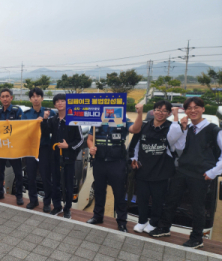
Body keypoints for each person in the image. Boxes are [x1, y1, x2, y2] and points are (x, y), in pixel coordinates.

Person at [150, 97, 222, 249]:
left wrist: (213, 172)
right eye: (189, 108)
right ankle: (164, 228)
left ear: (203, 109)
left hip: (201, 174)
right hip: (183, 170)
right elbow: (180, 147)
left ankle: (196, 238)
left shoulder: (214, 130)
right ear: (186, 111)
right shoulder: (188, 127)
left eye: (196, 107)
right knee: (171, 200)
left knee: (197, 207)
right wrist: (182, 128)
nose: (193, 110)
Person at [86, 100, 134, 232]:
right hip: (99, 161)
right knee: (99, 190)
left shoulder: (123, 119)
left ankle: (122, 221)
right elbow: (90, 139)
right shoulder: (97, 120)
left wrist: (140, 113)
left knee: (119, 192)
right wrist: (91, 147)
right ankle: (97, 216)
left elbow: (135, 129)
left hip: (117, 162)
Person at [129, 101, 175, 234]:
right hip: (143, 169)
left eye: (164, 111)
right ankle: (142, 220)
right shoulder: (143, 126)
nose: (161, 113)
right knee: (142, 198)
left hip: (161, 170)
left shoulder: (171, 128)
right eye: (158, 110)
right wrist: (133, 160)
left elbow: (175, 149)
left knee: (158, 200)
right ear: (153, 111)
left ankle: (154, 222)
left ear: (169, 113)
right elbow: (134, 146)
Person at [41, 94, 83, 218]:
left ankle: (67, 208)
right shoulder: (53, 119)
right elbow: (45, 132)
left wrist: (68, 146)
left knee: (68, 184)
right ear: (54, 105)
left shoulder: (73, 119)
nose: (60, 103)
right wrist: (44, 119)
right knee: (55, 183)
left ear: (67, 103)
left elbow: (80, 140)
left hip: (68, 158)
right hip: (54, 157)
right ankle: (57, 206)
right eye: (57, 101)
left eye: (62, 101)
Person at [0, 88, 24, 205]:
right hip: (0, 146)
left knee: (17, 172)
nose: (5, 98)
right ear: (0, 98)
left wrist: (13, 125)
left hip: (13, 146)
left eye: (7, 96)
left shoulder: (17, 110)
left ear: (11, 98)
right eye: (3, 96)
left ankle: (19, 195)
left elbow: (22, 127)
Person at [22, 88, 56, 212]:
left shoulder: (50, 113)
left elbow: (53, 130)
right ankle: (33, 200)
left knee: (45, 176)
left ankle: (47, 202)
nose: (35, 98)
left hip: (45, 148)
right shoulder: (25, 114)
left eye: (38, 96)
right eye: (33, 96)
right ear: (30, 99)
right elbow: (22, 131)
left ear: (42, 98)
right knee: (30, 175)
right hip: (31, 149)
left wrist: (44, 121)